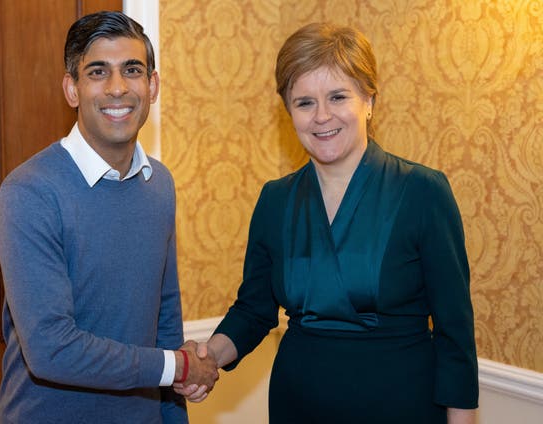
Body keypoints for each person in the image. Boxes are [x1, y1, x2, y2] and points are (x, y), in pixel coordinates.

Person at [176, 22, 478, 423]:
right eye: (304, 102)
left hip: (401, 406)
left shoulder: (423, 192)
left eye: (338, 96)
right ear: (289, 111)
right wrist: (207, 357)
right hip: (297, 405)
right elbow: (254, 310)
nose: (322, 117)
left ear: (369, 101)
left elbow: (455, 335)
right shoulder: (275, 200)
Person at [0, 11, 218, 423]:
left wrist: (174, 408)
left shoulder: (159, 183)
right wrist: (177, 366)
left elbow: (165, 316)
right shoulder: (29, 192)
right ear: (72, 89)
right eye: (98, 72)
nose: (118, 88)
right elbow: (52, 350)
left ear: (152, 86)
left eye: (132, 70)